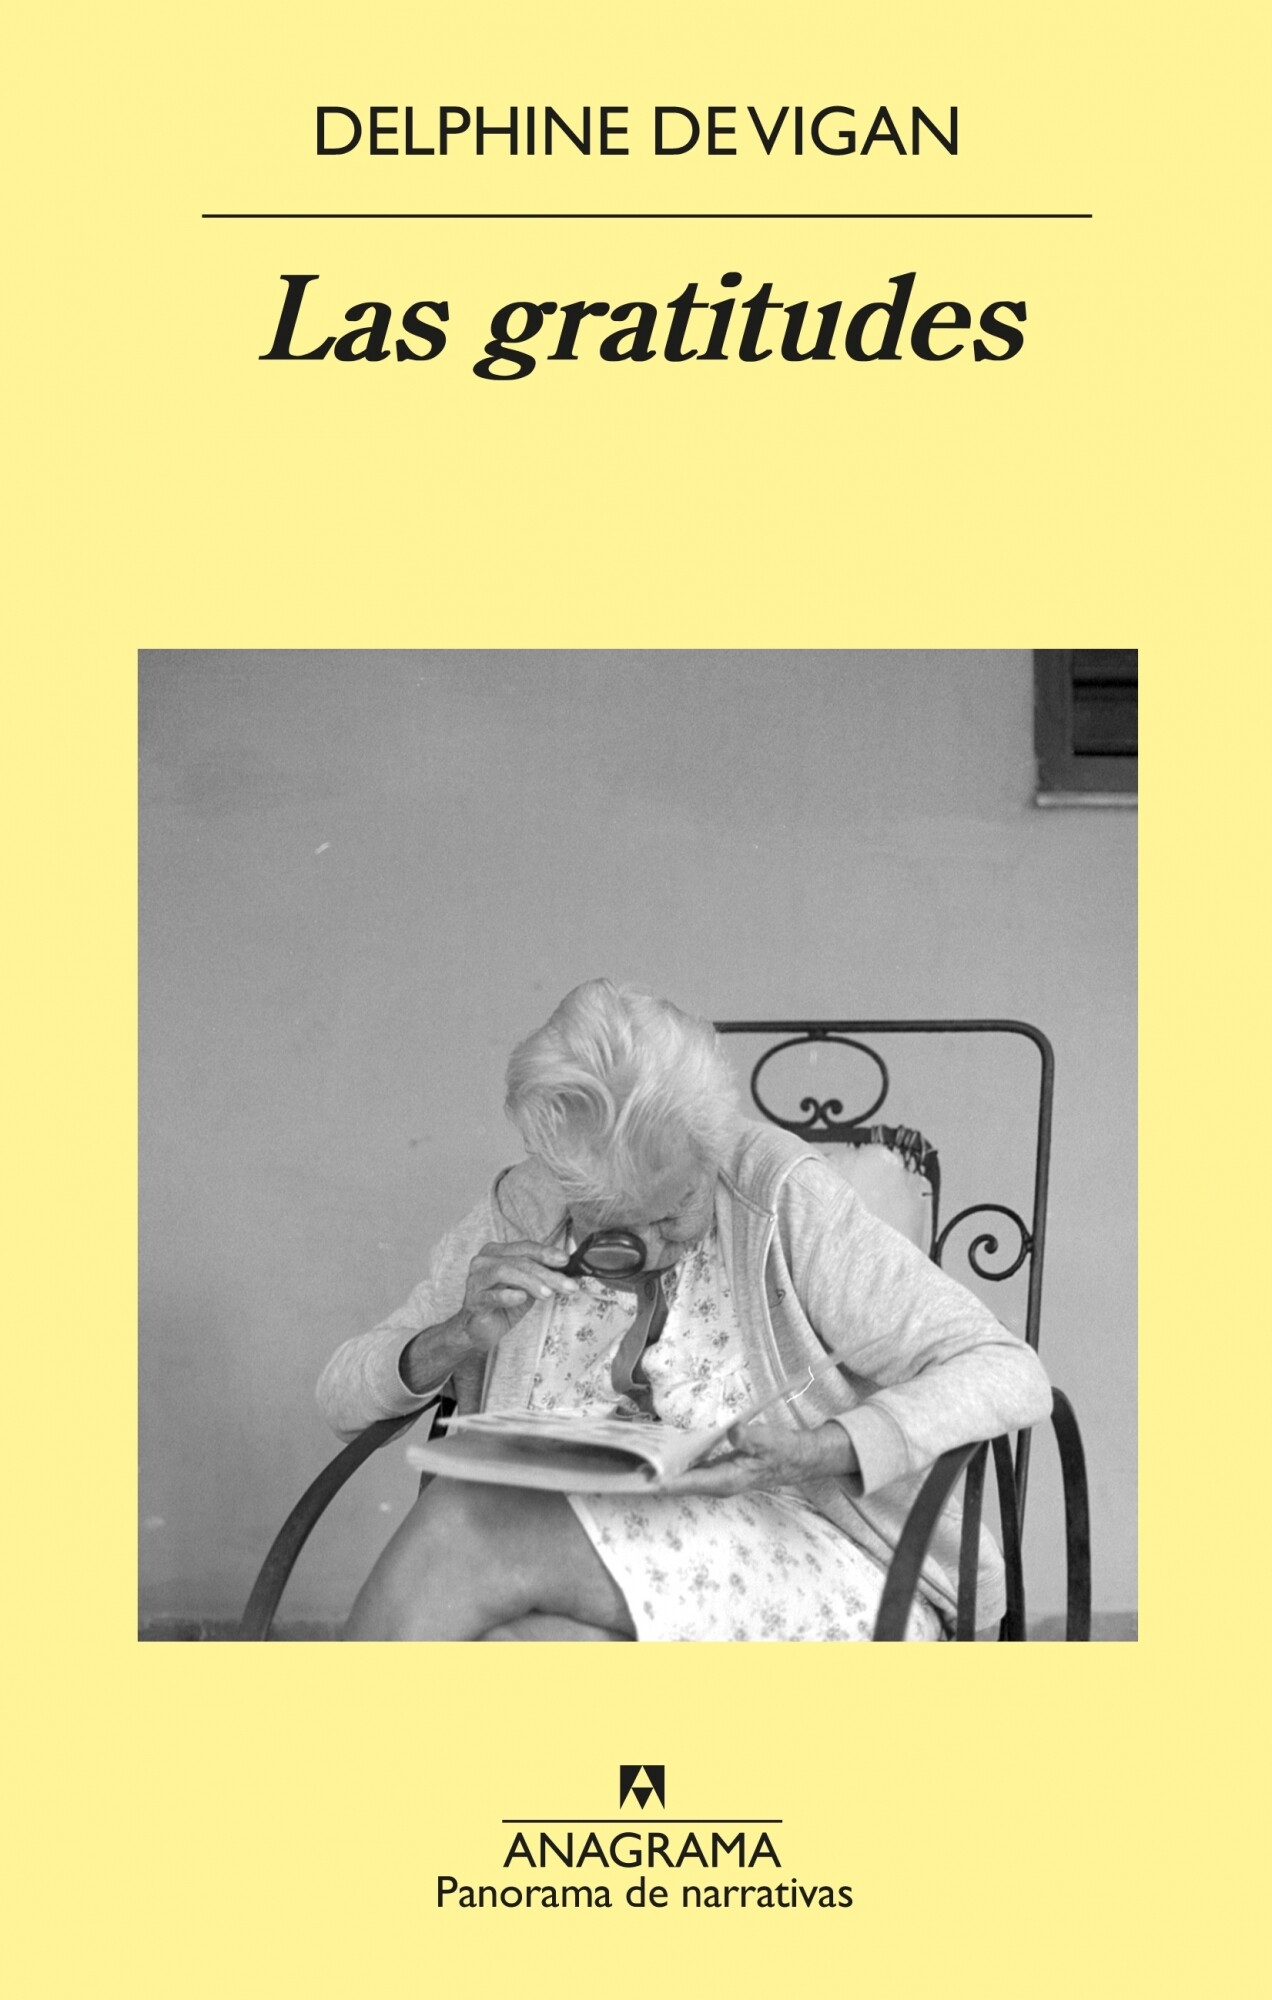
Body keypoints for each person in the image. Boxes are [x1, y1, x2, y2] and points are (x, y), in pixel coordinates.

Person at [318, 980, 1052, 1641]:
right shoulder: (526, 1208)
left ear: (713, 1152)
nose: (647, 1249)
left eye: (672, 1215)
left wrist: (823, 1448)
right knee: (523, 1647)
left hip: (815, 1556)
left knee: (465, 1520)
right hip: (599, 1562)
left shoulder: (779, 1196)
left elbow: (1004, 1368)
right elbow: (341, 1399)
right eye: (609, 1224)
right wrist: (455, 1337)